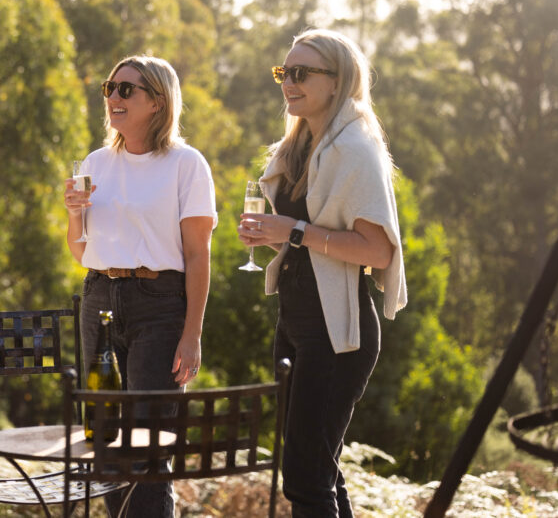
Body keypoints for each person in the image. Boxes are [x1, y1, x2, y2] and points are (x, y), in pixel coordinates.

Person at [237, 29, 407, 517]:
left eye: (300, 73)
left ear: (336, 82)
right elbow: (307, 238)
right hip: (295, 320)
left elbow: (377, 251)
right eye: (283, 73)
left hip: (338, 330)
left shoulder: (355, 148)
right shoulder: (300, 146)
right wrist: (274, 235)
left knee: (306, 478)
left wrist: (291, 231)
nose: (287, 82)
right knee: (319, 471)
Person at [63, 55, 217, 517]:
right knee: (106, 443)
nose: (113, 97)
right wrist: (73, 213)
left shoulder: (187, 165)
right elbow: (80, 252)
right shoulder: (95, 162)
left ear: (157, 100)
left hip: (161, 307)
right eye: (110, 87)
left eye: (126, 89)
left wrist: (192, 334)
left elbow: (197, 255)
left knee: (148, 450)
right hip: (99, 300)